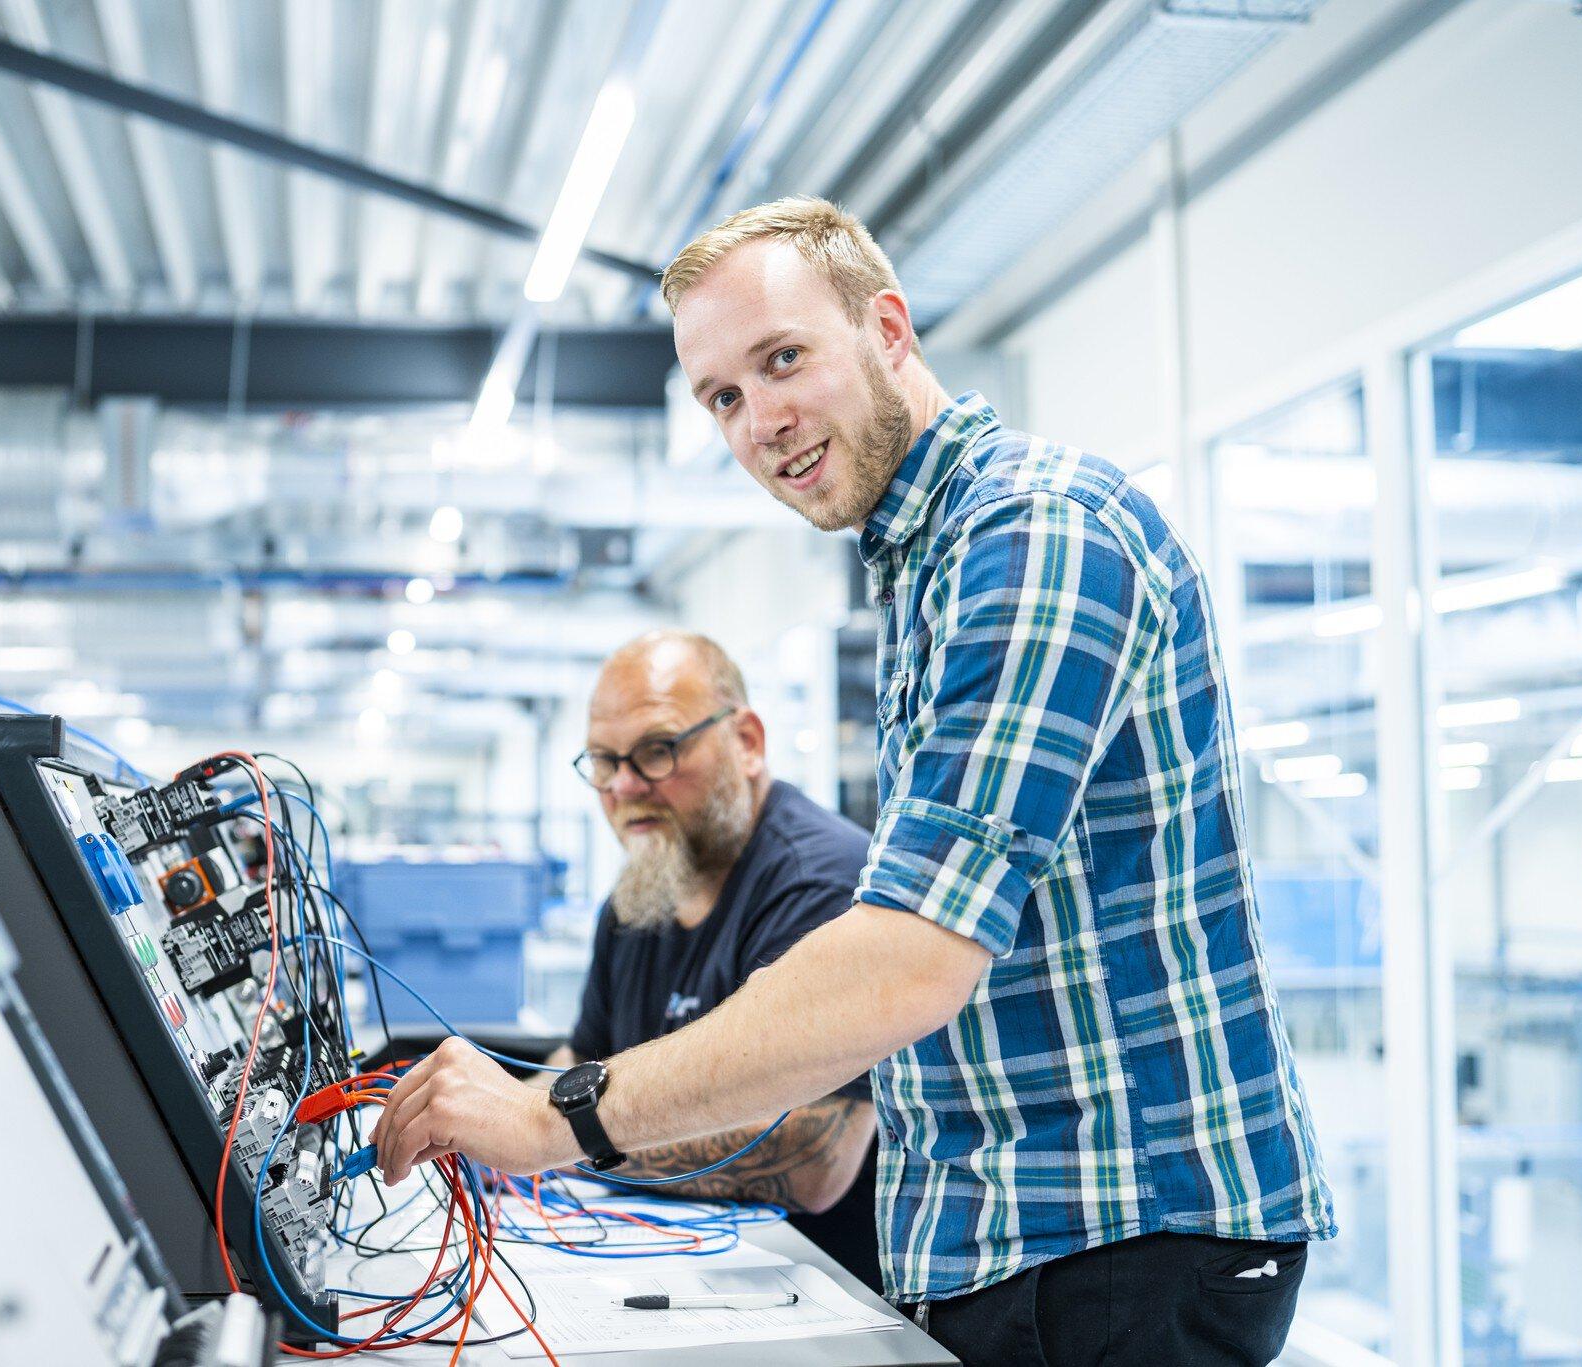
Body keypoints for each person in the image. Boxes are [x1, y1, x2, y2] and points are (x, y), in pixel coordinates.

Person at [375, 197, 1336, 1365]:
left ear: (887, 328)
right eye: (722, 396)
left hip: (1117, 1240)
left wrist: (553, 1117)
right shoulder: (924, 568)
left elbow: (909, 958)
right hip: (1025, 1243)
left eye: (783, 359)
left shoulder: (1031, 533)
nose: (760, 421)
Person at [549, 628, 881, 1284]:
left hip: (809, 1298)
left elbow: (817, 1154)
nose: (623, 786)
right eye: (603, 760)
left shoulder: (823, 881)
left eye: (657, 750)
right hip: (657, 1262)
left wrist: (548, 1140)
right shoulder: (637, 899)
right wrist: (480, 1132)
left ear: (747, 742)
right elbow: (576, 1064)